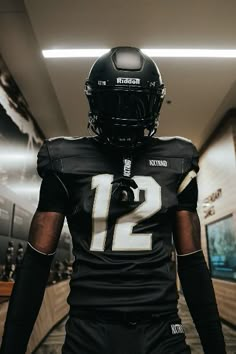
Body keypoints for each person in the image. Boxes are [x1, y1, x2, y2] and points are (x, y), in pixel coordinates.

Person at [0, 47, 226, 354]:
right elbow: (37, 263)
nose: (125, 112)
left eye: (134, 103)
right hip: (105, 327)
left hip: (145, 326)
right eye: (117, 101)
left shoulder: (66, 158)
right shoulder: (178, 158)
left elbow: (192, 264)